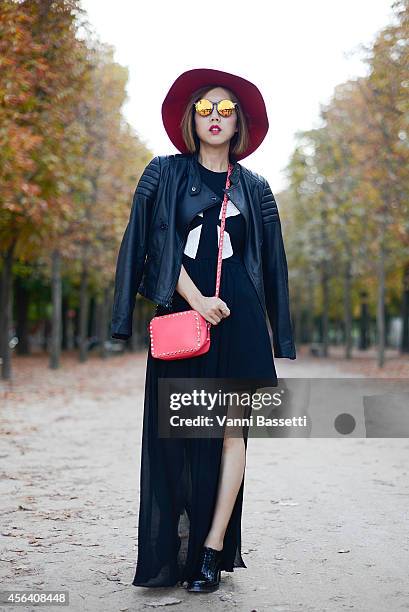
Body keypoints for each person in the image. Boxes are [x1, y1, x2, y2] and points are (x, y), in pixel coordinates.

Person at [110, 68, 296, 593]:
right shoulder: (162, 173)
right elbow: (144, 252)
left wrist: (278, 335)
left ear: (239, 123)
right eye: (205, 109)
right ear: (192, 119)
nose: (215, 117)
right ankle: (171, 552)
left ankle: (212, 550)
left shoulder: (256, 188)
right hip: (184, 315)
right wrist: (195, 297)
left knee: (231, 433)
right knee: (177, 435)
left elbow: (273, 265)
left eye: (226, 109)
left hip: (239, 322)